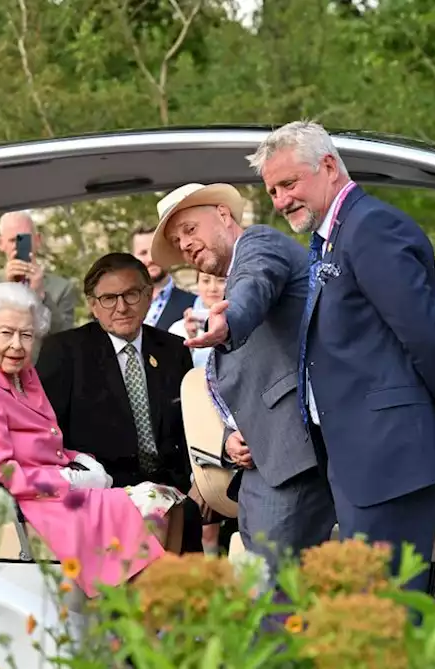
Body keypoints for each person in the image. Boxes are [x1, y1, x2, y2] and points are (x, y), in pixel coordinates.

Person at [248, 121, 435, 591]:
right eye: (273, 190)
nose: (280, 201)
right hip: (359, 462)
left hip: (390, 459)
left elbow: (426, 338)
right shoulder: (333, 236)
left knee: (392, 618)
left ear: (329, 166)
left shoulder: (373, 227)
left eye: (288, 184)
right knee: (378, 618)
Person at [0, 283, 175, 595]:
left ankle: (145, 610)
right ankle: (136, 616)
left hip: (44, 487)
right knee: (149, 504)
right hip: (17, 500)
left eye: (26, 335)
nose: (17, 345)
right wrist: (70, 480)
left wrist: (78, 460)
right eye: (6, 333)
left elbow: (44, 440)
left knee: (167, 500)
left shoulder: (21, 372)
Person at [152, 181, 336, 571]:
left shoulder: (257, 244)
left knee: (274, 597)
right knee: (266, 595)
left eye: (189, 229)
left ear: (222, 214)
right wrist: (231, 438)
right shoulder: (231, 283)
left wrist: (228, 323)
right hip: (262, 465)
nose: (184, 245)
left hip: (292, 459)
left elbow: (255, 286)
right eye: (176, 240)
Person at [36, 253, 204, 550]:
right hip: (104, 496)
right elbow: (47, 436)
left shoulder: (173, 350)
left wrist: (199, 483)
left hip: (173, 492)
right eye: (109, 298)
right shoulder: (64, 352)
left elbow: (190, 427)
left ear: (149, 294)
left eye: (131, 294)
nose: (122, 307)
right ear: (92, 305)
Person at [0, 211, 78, 335]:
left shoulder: (62, 289)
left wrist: (40, 295)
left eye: (24, 240)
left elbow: (65, 338)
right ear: (1, 244)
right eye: (12, 240)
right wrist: (6, 288)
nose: (18, 247)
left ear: (38, 240)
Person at [131, 224, 197, 331]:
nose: (150, 259)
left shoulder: (193, 303)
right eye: (143, 253)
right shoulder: (119, 305)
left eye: (155, 251)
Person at [167, 271, 226, 369]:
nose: (213, 288)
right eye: (206, 281)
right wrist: (190, 341)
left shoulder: (242, 325)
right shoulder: (178, 329)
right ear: (198, 284)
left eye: (221, 281)